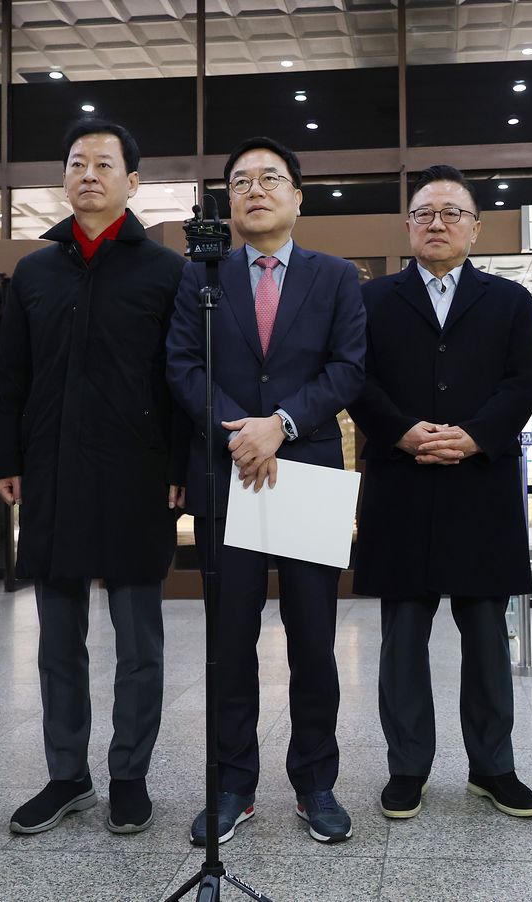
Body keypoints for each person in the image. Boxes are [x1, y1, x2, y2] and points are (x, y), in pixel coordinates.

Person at [166, 136, 366, 846]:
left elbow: (349, 368)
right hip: (227, 471)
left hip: (305, 468)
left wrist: (280, 424)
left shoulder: (336, 275)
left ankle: (316, 783)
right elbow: (183, 364)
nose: (255, 189)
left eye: (270, 178)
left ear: (297, 195)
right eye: (241, 180)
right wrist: (238, 433)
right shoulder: (203, 274)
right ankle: (231, 784)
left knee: (315, 641)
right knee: (230, 640)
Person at [0, 119, 188, 837]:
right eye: (77, 162)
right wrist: (6, 461)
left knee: (139, 642)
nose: (89, 174)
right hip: (52, 473)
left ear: (132, 182)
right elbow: (9, 378)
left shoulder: (167, 272)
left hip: (139, 477)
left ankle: (129, 774)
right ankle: (66, 775)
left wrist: (178, 468)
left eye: (104, 164)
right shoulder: (34, 272)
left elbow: (181, 381)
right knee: (56, 641)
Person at [349, 164, 532, 821]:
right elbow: (357, 380)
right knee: (403, 638)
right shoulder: (371, 301)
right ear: (407, 226)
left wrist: (473, 435)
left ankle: (494, 767)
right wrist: (402, 432)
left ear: (476, 229)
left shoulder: (509, 301)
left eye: (452, 213)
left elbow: (523, 383)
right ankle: (407, 769)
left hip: (478, 485)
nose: (438, 223)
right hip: (400, 486)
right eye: (425, 213)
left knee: (487, 637)